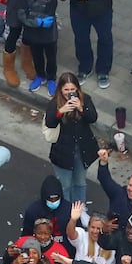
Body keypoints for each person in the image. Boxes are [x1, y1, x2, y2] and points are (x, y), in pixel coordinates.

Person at [43, 74, 98, 206]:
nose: (69, 93)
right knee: (65, 185)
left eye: (72, 89)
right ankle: (67, 209)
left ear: (77, 89)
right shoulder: (55, 103)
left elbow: (93, 118)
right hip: (63, 151)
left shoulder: (85, 99)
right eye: (66, 90)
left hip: (82, 149)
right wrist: (60, 111)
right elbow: (50, 123)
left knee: (80, 182)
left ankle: (80, 208)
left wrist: (81, 108)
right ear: (60, 90)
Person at [8, 0, 61, 94]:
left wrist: (32, 17)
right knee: (37, 55)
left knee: (51, 57)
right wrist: (37, 22)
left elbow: (48, 15)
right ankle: (40, 75)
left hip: (48, 33)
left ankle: (51, 78)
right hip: (33, 32)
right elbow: (21, 14)